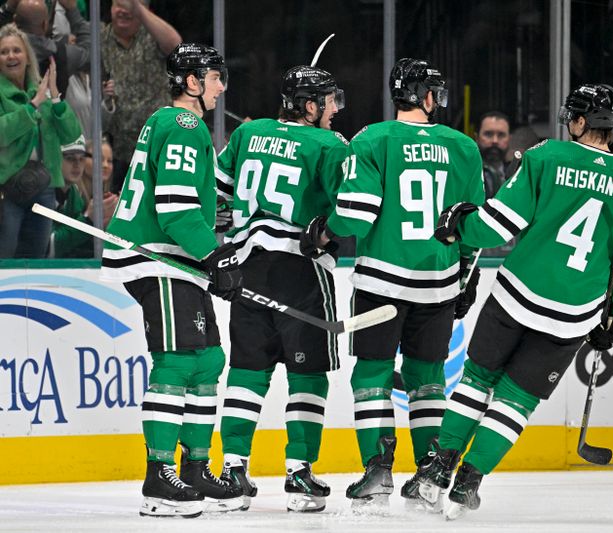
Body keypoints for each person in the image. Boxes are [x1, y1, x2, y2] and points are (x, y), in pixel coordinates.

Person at [416, 84, 613, 519]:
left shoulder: (546, 156)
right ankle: (468, 483)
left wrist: (461, 227)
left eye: (573, 116)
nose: (568, 122)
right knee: (515, 402)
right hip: (573, 315)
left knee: (476, 381)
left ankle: (439, 471)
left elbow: (500, 223)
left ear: (582, 122)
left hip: (515, 296)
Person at [299, 57, 485, 511]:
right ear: (425, 96)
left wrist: (323, 229)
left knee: (372, 375)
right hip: (438, 284)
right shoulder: (462, 146)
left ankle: (378, 472)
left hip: (382, 282)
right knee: (427, 379)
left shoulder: (373, 139)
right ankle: (427, 473)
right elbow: (473, 225)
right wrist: (465, 272)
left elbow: (357, 215)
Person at [100, 43, 243, 518]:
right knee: (179, 362)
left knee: (207, 360)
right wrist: (217, 255)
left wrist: (211, 240)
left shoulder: (177, 125)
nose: (222, 86)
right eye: (215, 77)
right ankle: (158, 478)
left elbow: (188, 205)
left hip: (179, 260)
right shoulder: (182, 124)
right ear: (191, 82)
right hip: (158, 258)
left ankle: (196, 468)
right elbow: (176, 208)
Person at [214, 64, 348, 513]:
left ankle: (232, 470)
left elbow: (217, 192)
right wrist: (328, 231)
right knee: (307, 375)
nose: (334, 110)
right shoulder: (330, 144)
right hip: (301, 272)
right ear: (310, 106)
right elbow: (349, 210)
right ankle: (299, 473)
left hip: (246, 266)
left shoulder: (248, 134)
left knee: (247, 372)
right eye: (329, 101)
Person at [0, 24, 81, 258]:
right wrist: (32, 106)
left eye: (16, 50)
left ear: (27, 57)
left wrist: (55, 97)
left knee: (36, 258)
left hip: (44, 188)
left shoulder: (43, 91)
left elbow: (71, 134)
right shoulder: (34, 97)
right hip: (7, 188)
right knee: (5, 257)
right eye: (4, 52)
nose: (11, 56)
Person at [101, 0, 181, 193]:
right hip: (119, 150)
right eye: (119, 4)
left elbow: (176, 46)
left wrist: (137, 8)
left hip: (159, 146)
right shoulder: (101, 37)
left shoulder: (152, 35)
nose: (123, 11)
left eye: (130, 6)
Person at [3, 0, 90, 97]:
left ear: (14, 20)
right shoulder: (64, 54)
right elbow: (90, 53)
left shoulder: (4, 51)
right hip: (54, 109)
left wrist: (7, 9)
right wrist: (73, 11)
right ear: (45, 25)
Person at [52, 134, 116, 257]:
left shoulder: (73, 194)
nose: (105, 165)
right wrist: (89, 219)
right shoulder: (52, 194)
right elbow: (49, 247)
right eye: (70, 158)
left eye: (81, 159)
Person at [475, 111, 512, 198]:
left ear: (509, 139)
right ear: (477, 138)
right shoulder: (467, 173)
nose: (495, 141)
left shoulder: (518, 175)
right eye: (488, 134)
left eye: (501, 135)